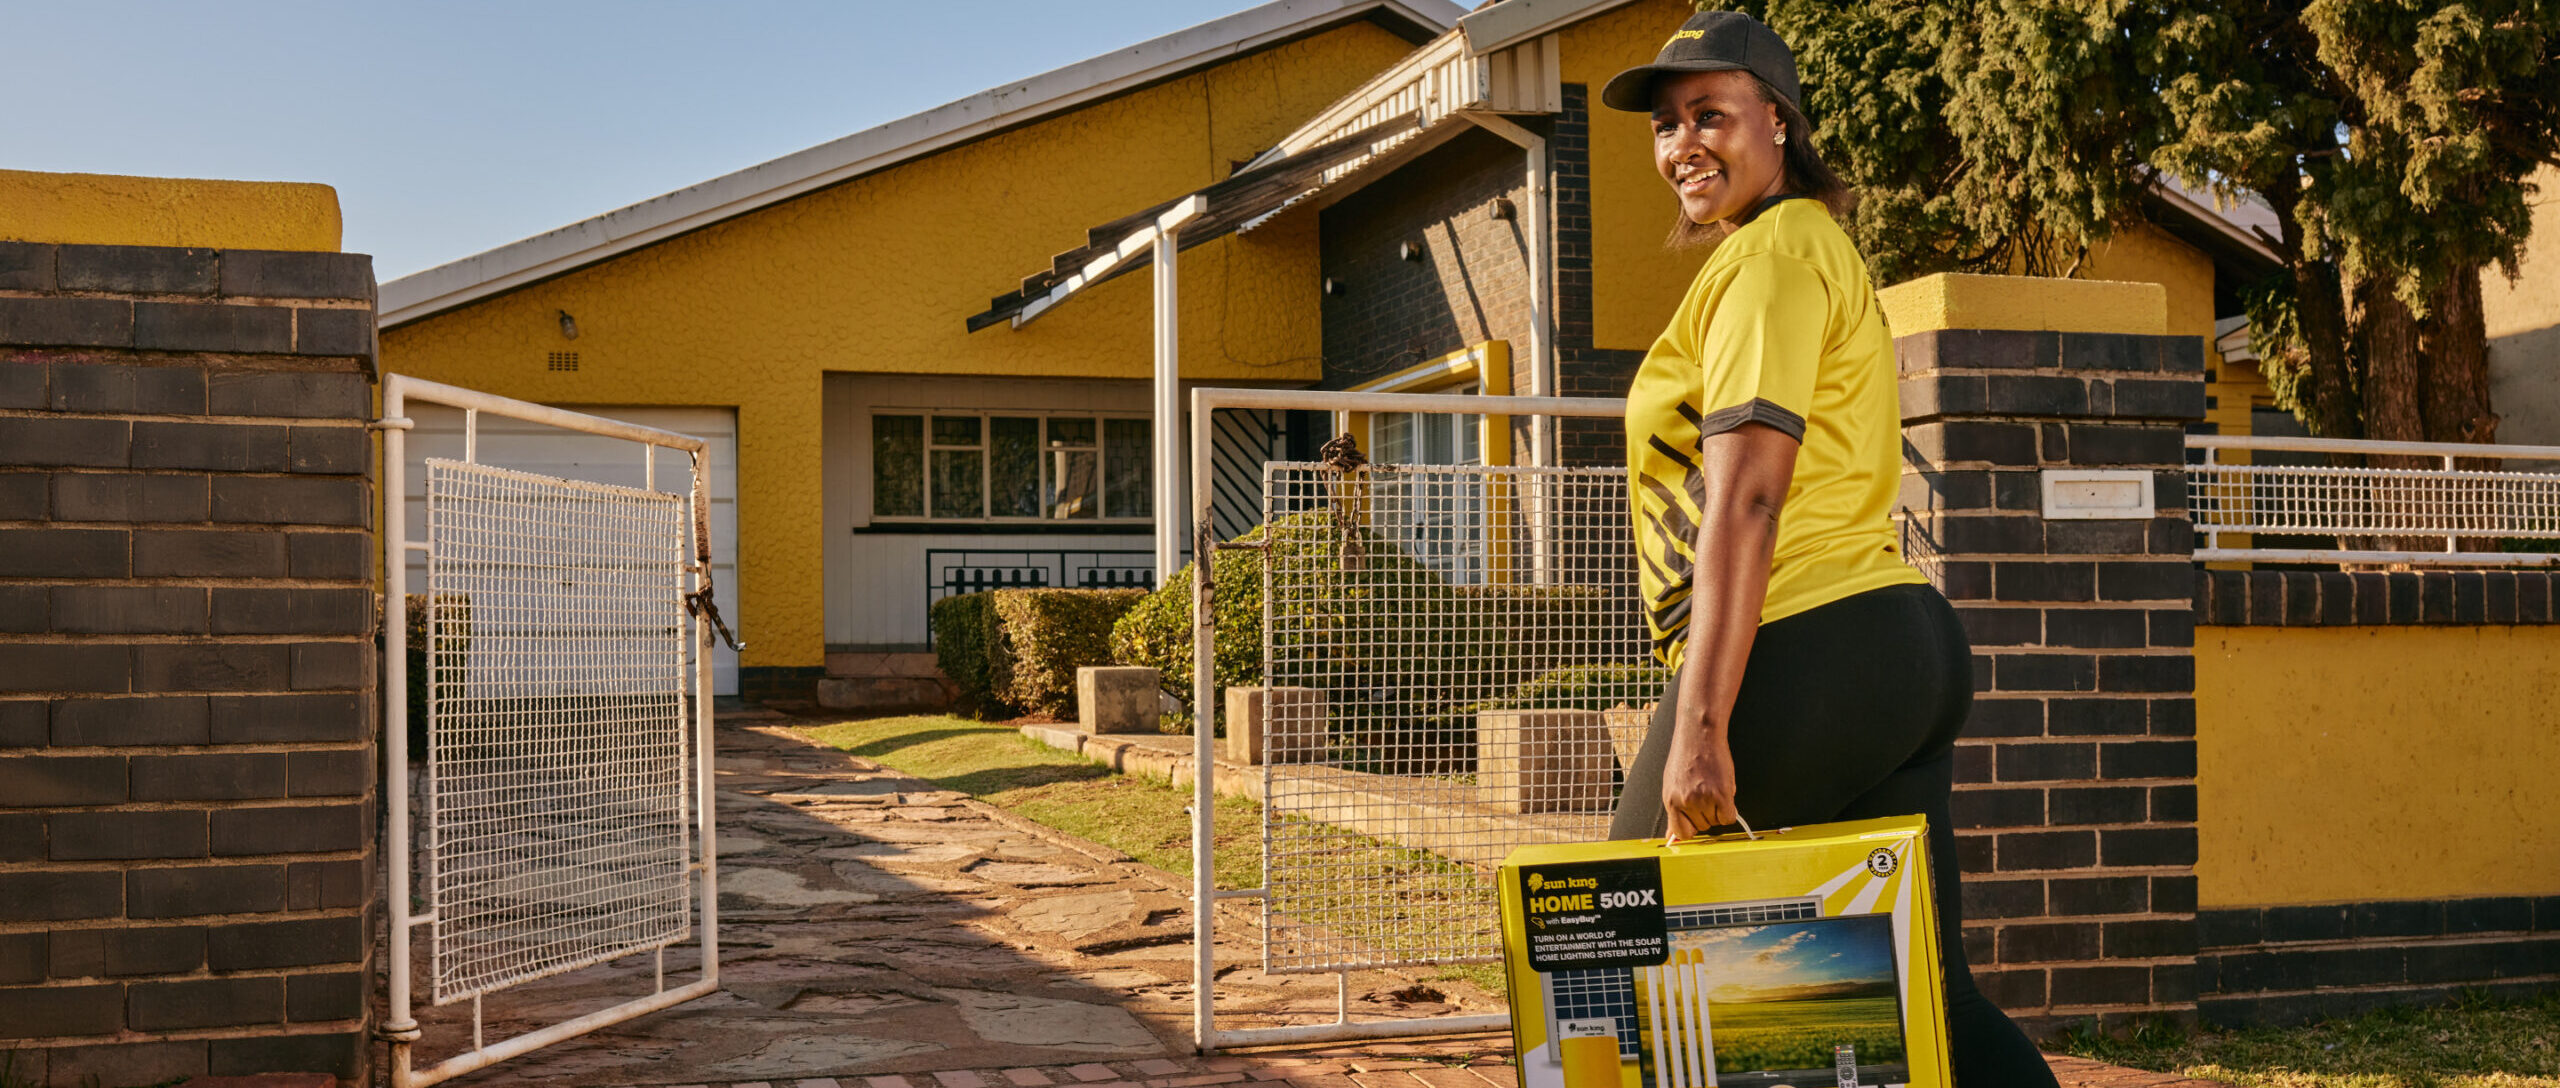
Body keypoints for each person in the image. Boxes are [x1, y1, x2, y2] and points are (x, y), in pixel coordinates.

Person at [1598, 11, 2061, 1085]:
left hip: (1808, 640)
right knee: (1926, 1003)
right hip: (1892, 648)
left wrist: (1702, 724)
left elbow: (1748, 498)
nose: (1681, 145)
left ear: (1777, 120)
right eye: (1666, 126)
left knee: (1611, 946)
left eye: (1708, 114)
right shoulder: (1798, 252)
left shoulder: (1771, 258)